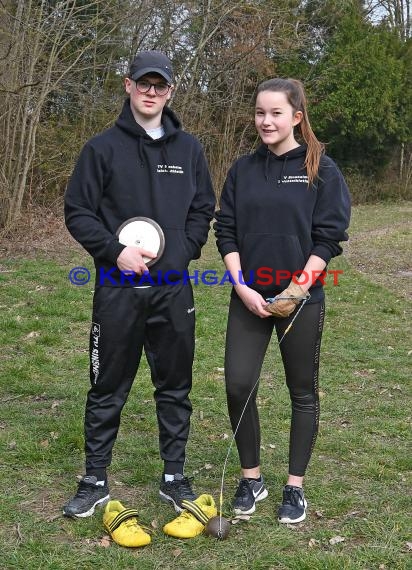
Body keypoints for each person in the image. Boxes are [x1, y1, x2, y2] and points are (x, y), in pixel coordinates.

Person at [63, 50, 215, 518]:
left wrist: (183, 252)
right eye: (144, 84)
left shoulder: (189, 149)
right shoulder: (101, 149)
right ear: (128, 85)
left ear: (170, 91)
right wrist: (115, 251)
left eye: (161, 85)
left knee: (174, 386)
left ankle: (174, 477)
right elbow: (78, 212)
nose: (152, 92)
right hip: (116, 290)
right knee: (107, 386)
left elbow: (202, 209)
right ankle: (94, 479)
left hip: (173, 290)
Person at [214, 78, 350, 523]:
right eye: (259, 113)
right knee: (237, 383)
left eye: (276, 113)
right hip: (249, 296)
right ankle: (251, 477)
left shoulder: (321, 170)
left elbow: (329, 238)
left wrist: (296, 290)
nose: (266, 121)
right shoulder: (242, 170)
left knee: (302, 392)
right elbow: (226, 230)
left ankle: (295, 487)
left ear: (296, 117)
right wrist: (241, 287)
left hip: (300, 301)